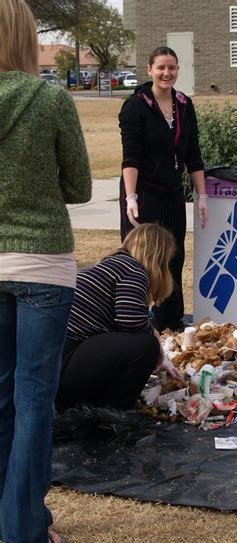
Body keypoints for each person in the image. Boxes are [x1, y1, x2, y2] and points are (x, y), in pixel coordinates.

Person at [0, 0, 92, 543]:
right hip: (41, 265)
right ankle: (26, 530)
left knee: (3, 397)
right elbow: (80, 186)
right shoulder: (50, 99)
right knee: (35, 399)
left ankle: (13, 517)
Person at [119, 46, 207, 333]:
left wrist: (201, 196)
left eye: (172, 67)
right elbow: (130, 156)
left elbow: (193, 154)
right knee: (142, 257)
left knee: (174, 254)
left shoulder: (184, 104)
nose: (166, 73)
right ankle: (136, 320)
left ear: (178, 70)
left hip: (171, 191)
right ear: (149, 70)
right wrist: (130, 197)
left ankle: (171, 318)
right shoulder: (136, 106)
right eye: (161, 68)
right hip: (143, 191)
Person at [57, 224, 183, 410]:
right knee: (146, 345)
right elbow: (130, 322)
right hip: (66, 362)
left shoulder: (111, 265)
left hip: (56, 359)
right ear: (157, 257)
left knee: (147, 341)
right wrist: (156, 347)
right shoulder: (134, 270)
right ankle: (114, 409)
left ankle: (90, 402)